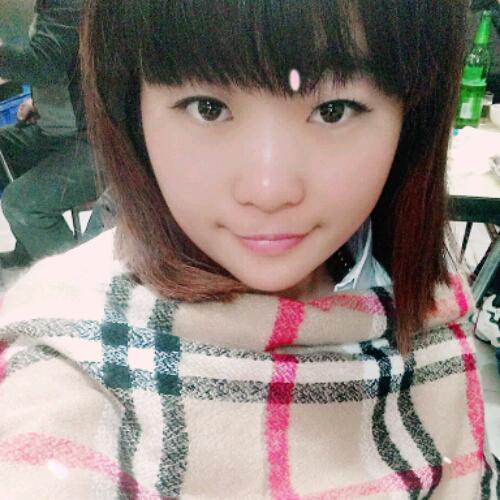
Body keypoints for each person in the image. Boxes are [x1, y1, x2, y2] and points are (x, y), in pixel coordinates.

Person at [0, 0, 498, 497]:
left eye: (333, 110)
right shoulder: (71, 362)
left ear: (411, 119)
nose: (269, 190)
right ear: (134, 110)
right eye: (208, 108)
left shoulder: (430, 322)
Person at [0, 0, 97, 269]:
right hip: (57, 131)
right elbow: (65, 62)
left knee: (22, 203)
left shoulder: (68, 3)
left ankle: (78, 282)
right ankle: (32, 248)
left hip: (96, 142)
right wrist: (40, 103)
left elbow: (44, 64)